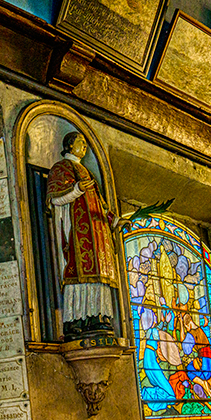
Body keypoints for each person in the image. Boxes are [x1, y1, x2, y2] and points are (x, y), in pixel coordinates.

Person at [46, 131, 119, 339]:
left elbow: (101, 207)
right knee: (78, 273)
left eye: (86, 143)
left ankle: (99, 318)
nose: (84, 146)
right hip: (76, 233)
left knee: (99, 276)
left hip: (98, 237)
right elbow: (54, 199)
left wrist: (114, 220)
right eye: (80, 142)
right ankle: (75, 320)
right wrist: (77, 189)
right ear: (69, 146)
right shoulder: (61, 168)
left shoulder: (89, 173)